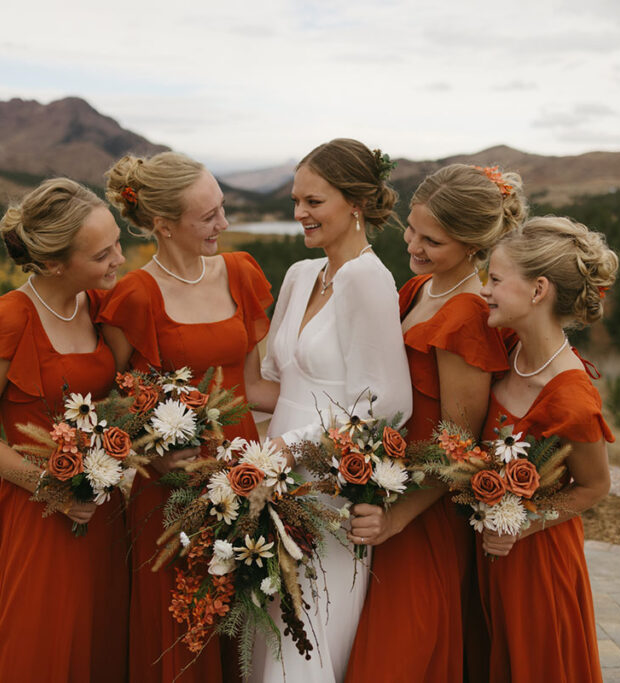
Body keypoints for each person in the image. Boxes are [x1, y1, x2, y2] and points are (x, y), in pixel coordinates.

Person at [99, 151, 276, 683]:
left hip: (247, 472)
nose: (223, 224)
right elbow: (113, 403)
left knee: (247, 622)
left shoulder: (241, 272)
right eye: (208, 217)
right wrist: (152, 443)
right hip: (172, 488)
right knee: (181, 626)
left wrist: (336, 407)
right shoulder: (133, 296)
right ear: (163, 225)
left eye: (222, 208)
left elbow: (255, 383)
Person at [346, 164, 527, 682]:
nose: (414, 245)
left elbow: (460, 445)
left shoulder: (466, 316)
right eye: (412, 229)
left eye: (433, 240)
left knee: (395, 656)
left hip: (421, 512)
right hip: (385, 491)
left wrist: (397, 518)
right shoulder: (420, 288)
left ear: (472, 246)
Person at [0, 178, 129, 682]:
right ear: (54, 263)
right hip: (40, 507)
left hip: (104, 508)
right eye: (102, 253)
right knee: (40, 643)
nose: (118, 258)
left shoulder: (95, 306)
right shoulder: (8, 317)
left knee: (100, 637)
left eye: (117, 242)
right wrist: (51, 486)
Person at [251, 138, 412, 683]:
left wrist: (288, 448)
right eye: (296, 200)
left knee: (306, 635)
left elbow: (384, 403)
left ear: (356, 204)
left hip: (326, 484)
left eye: (314, 201)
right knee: (267, 624)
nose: (300, 213)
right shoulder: (300, 275)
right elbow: (276, 383)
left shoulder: (369, 279)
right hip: (269, 478)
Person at [476, 215, 618, 682]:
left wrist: (521, 526)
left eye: (495, 280)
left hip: (538, 565)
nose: (485, 290)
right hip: (485, 555)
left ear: (538, 291)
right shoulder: (504, 347)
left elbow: (595, 487)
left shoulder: (572, 395)